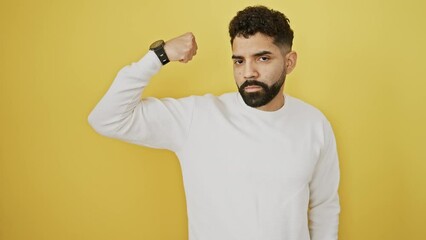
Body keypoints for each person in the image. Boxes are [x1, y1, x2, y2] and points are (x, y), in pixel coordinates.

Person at [88, 5, 340, 240]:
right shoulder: (197, 117)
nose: (248, 72)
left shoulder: (314, 124)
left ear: (289, 62)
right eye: (239, 60)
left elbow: (324, 206)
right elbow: (106, 119)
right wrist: (159, 56)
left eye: (262, 58)